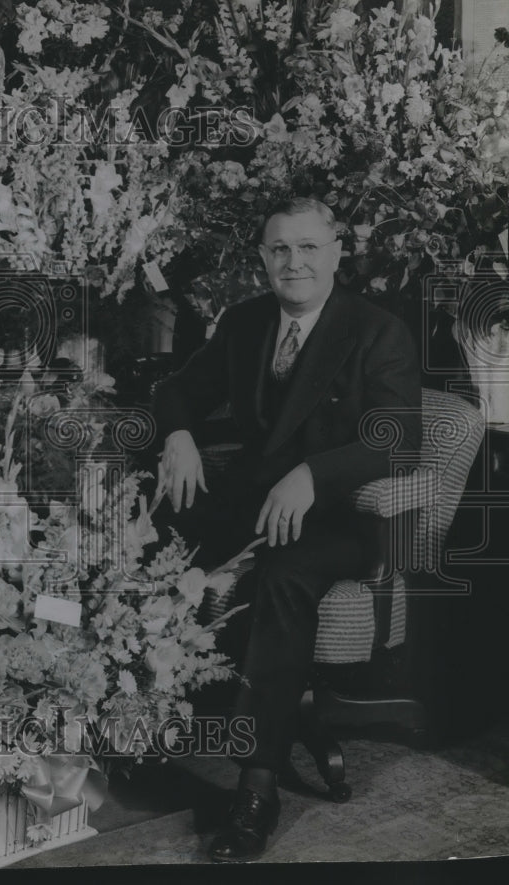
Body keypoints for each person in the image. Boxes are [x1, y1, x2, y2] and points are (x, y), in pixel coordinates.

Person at [151, 197, 421, 862]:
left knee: (282, 573)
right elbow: (179, 389)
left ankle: (257, 785)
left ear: (336, 253)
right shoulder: (246, 322)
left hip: (344, 515)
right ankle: (135, 726)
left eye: (307, 247)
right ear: (263, 259)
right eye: (279, 249)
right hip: (255, 500)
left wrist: (313, 474)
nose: (292, 261)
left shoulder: (376, 330)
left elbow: (401, 438)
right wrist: (180, 433)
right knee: (144, 516)